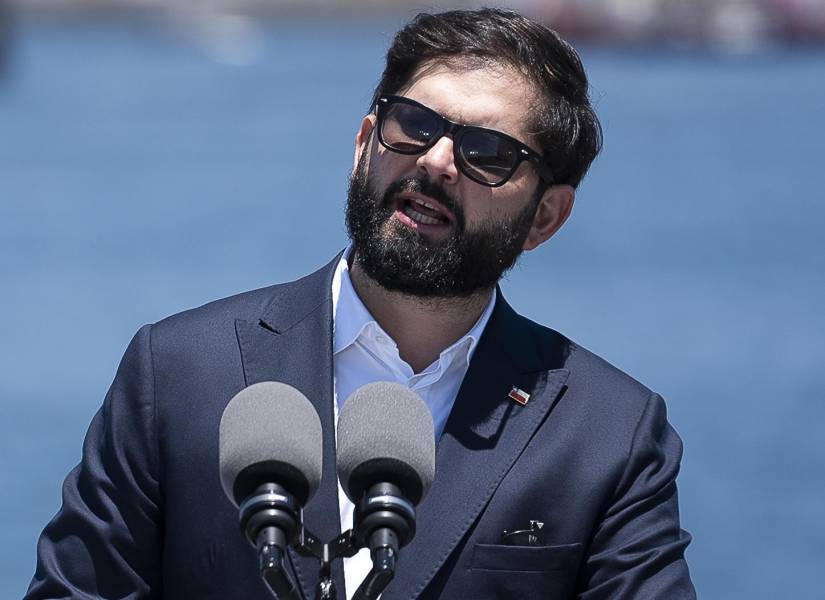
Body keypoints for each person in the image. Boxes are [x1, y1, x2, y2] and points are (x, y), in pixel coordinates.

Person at [25, 8, 695, 600]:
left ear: (545, 217)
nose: (434, 161)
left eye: (485, 151)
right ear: (362, 144)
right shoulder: (178, 373)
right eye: (413, 124)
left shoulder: (607, 434)